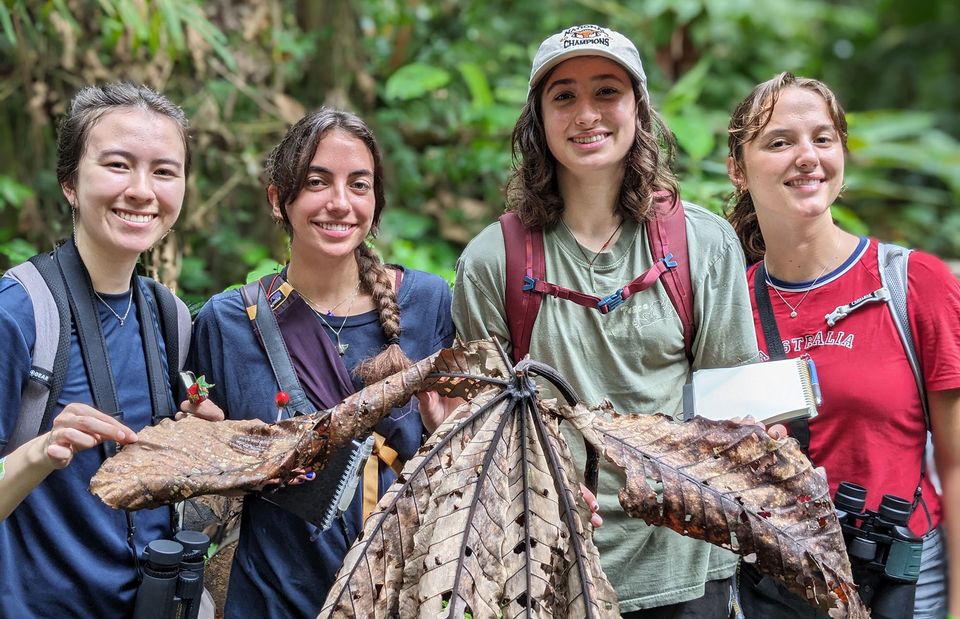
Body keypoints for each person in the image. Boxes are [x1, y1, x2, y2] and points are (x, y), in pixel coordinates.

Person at [453, 24, 759, 617]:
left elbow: (731, 414)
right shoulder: (493, 260)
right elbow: (481, 438)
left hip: (685, 561)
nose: (586, 113)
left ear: (638, 110)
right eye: (563, 96)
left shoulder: (702, 242)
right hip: (545, 563)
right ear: (538, 121)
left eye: (607, 92)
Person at [188, 108, 455, 618]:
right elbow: (204, 480)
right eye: (317, 182)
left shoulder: (429, 302)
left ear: (375, 202)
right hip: (269, 600)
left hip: (397, 596)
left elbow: (462, 456)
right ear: (277, 199)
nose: (340, 203)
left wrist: (444, 431)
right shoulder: (227, 321)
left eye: (359, 184)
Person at [726, 72, 960, 618]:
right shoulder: (725, 305)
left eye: (822, 139)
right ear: (738, 168)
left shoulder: (913, 284)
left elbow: (956, 464)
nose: (806, 156)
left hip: (902, 582)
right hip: (775, 591)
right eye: (780, 141)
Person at [0, 82, 222, 616]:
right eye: (119, 165)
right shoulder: (20, 312)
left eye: (164, 171)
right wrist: (39, 453)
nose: (143, 190)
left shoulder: (168, 316)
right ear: (71, 184)